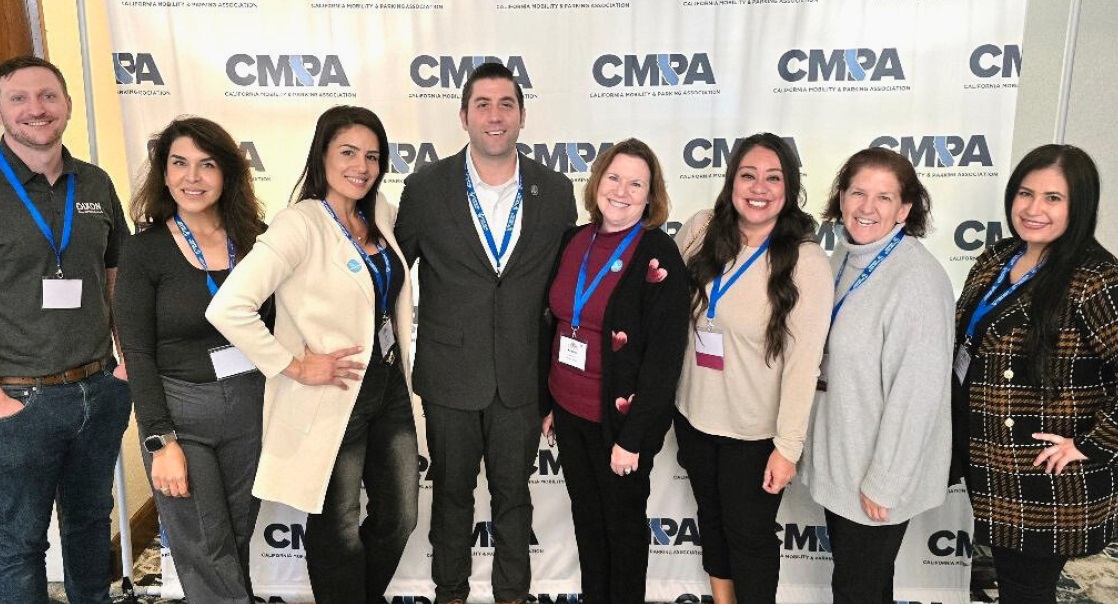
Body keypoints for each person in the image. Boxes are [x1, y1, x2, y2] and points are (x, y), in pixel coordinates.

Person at [206, 106, 418, 604]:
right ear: (322, 156)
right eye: (348, 152)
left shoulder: (379, 214)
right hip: (333, 392)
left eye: (372, 156)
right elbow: (228, 307)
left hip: (388, 385)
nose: (361, 166)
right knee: (338, 524)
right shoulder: (298, 224)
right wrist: (293, 365)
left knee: (399, 516)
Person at [395, 62, 577, 604]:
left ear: (521, 115)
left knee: (513, 497)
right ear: (463, 117)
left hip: (522, 378)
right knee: (451, 495)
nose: (495, 116)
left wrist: (559, 384)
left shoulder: (555, 190)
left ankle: (512, 594)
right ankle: (450, 592)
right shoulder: (425, 188)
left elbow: (567, 294)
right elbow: (391, 275)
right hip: (449, 376)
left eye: (506, 105)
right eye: (483, 105)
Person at [952, 144, 1118, 603]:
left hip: (1046, 478)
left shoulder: (1096, 279)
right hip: (992, 461)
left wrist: (1090, 444)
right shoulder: (999, 257)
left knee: (1026, 591)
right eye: (1025, 193)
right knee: (1014, 585)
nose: (1033, 209)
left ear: (1079, 206)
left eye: (1053, 198)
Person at [673, 133, 832, 604]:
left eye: (773, 178)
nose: (758, 187)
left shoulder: (805, 260)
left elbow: (804, 365)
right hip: (693, 416)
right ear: (731, 182)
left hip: (754, 433)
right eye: (748, 175)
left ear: (790, 188)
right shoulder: (701, 229)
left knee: (750, 538)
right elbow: (661, 303)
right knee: (712, 522)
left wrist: (787, 448)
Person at [114, 117, 267, 603]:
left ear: (227, 174)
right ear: (164, 173)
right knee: (204, 546)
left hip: (252, 409)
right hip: (182, 416)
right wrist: (160, 441)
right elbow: (137, 353)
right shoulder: (144, 250)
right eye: (179, 163)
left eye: (207, 165)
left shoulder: (258, 241)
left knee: (235, 539)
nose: (192, 177)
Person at [0, 55, 132, 604]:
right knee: (19, 543)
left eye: (48, 96)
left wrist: (124, 365)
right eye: (19, 98)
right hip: (19, 399)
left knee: (89, 525)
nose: (36, 108)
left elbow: (116, 275)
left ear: (68, 106)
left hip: (98, 389)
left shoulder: (94, 181)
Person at [799, 147, 954, 604]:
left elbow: (918, 395)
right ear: (841, 198)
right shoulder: (843, 258)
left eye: (884, 197)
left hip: (876, 473)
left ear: (904, 209)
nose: (867, 207)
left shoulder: (916, 279)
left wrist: (886, 480)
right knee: (864, 584)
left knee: (856, 589)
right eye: (858, 193)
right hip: (843, 462)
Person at [539, 139, 688, 604]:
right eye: (614, 178)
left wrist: (633, 438)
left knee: (622, 533)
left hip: (620, 424)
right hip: (568, 410)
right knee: (587, 522)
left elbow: (664, 358)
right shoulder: (574, 240)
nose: (622, 191)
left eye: (636, 184)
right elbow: (555, 323)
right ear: (598, 182)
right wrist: (548, 403)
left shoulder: (658, 254)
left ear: (650, 195)